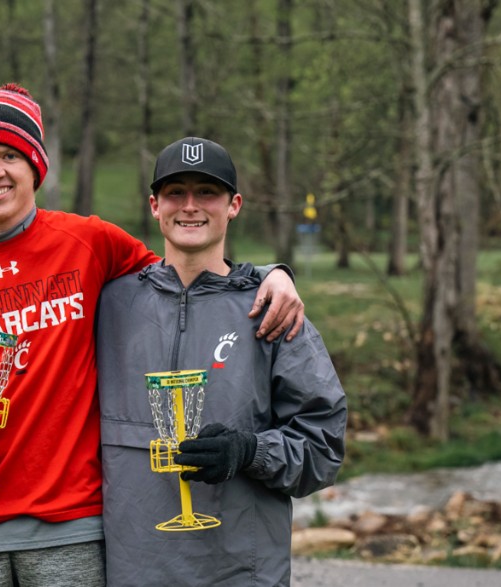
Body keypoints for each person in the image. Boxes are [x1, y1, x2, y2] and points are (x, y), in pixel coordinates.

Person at [0, 84, 306, 587]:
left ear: (35, 169)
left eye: (9, 156)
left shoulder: (89, 242)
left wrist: (269, 273)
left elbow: (187, 274)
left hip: (70, 522)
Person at [96, 136, 347, 586]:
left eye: (207, 193)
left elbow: (324, 447)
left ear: (234, 205)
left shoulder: (273, 311)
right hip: (132, 569)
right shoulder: (109, 305)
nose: (190, 206)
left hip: (240, 570)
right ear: (154, 205)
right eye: (176, 192)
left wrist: (251, 451)